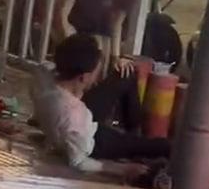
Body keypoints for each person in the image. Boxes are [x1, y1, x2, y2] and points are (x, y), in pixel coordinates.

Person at [31, 34, 169, 172]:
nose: (96, 80)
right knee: (162, 146)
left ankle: (135, 133)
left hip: (71, 112)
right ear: (83, 77)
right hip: (95, 141)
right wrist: (123, 169)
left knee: (127, 74)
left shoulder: (41, 73)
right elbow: (79, 162)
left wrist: (118, 64)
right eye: (96, 74)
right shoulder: (75, 117)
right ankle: (137, 143)